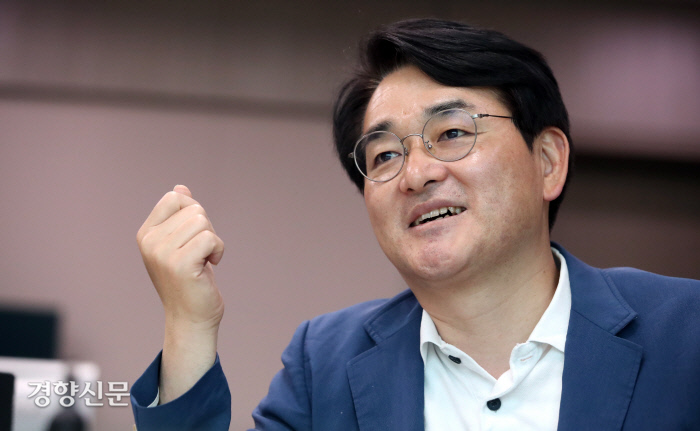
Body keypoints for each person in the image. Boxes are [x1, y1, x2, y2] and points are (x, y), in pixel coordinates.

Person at [130, 19, 700, 430]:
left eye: (452, 133)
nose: (417, 174)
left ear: (547, 161)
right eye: (384, 156)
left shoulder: (685, 334)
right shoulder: (324, 365)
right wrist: (189, 324)